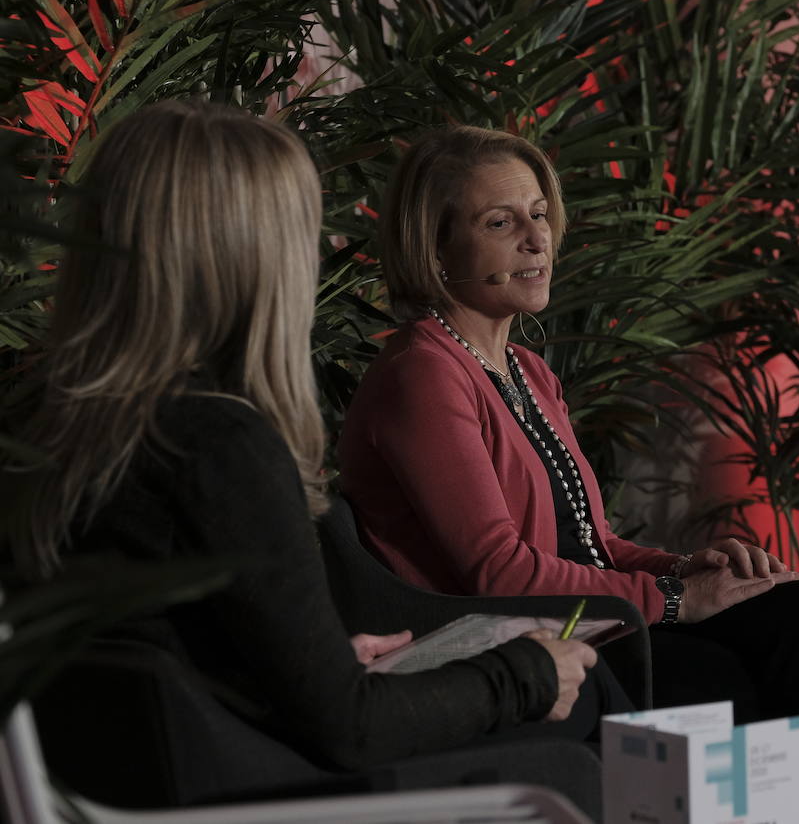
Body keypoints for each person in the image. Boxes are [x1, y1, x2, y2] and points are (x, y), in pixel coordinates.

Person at [0, 102, 606, 801]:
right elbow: (352, 730)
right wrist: (524, 673)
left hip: (133, 791)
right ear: (249, 255)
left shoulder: (57, 431)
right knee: (579, 741)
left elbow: (160, 659)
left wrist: (309, 665)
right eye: (302, 235)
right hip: (242, 804)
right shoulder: (219, 445)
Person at [338, 125, 799, 822]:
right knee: (730, 673)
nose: (536, 238)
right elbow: (499, 574)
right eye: (501, 222)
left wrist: (691, 569)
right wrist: (676, 601)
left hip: (587, 619)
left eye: (538, 214)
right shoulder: (424, 372)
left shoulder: (527, 371)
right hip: (519, 643)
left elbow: (592, 544)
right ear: (435, 250)